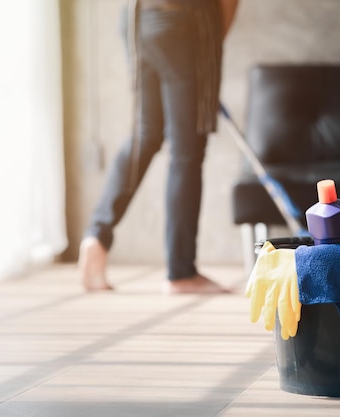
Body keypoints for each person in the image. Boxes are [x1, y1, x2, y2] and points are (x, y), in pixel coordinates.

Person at [78, 0, 239, 294]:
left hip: (137, 15)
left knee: (145, 135)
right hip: (188, 18)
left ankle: (96, 236)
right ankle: (181, 272)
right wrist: (209, 45)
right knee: (187, 152)